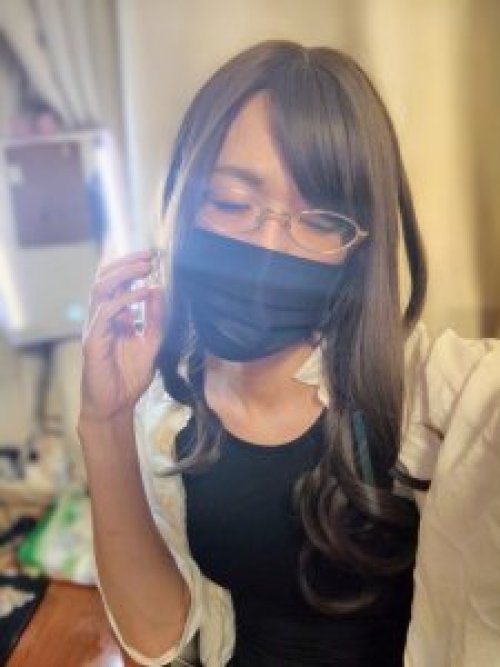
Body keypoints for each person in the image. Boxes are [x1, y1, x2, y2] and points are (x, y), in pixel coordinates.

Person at [78, 41, 500, 667]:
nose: (271, 245)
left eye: (322, 222)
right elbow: (157, 638)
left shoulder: (422, 390)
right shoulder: (163, 395)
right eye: (231, 203)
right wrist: (104, 422)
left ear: (359, 246)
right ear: (185, 198)